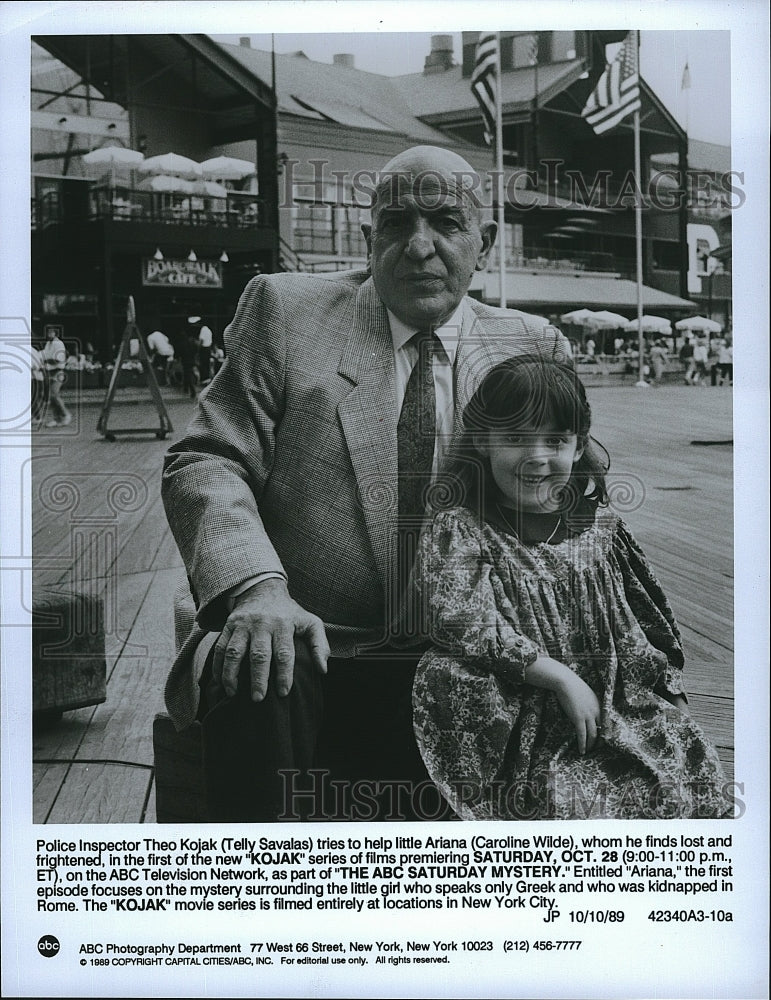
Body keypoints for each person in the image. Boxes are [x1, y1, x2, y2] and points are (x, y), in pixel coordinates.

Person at [161, 144, 571, 822]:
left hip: (466, 652)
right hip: (315, 635)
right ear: (367, 236)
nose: (419, 246)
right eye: (396, 223)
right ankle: (250, 906)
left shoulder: (532, 346)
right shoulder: (286, 313)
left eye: (445, 221)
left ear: (485, 241)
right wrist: (257, 589)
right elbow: (206, 459)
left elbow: (569, 509)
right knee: (259, 665)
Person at [411, 355, 729, 820]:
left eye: (555, 440)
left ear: (578, 447)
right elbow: (463, 621)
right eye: (516, 438)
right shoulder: (464, 528)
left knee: (681, 781)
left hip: (610, 698)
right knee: (564, 799)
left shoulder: (600, 530)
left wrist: (668, 692)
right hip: (520, 701)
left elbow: (636, 623)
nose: (538, 456)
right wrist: (559, 676)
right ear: (483, 440)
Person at [40, 327, 72, 427]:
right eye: (47, 332)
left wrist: (46, 360)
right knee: (50, 397)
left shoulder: (58, 343)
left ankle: (66, 415)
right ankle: (57, 419)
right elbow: (43, 357)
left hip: (57, 373)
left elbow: (56, 360)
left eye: (51, 332)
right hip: (49, 373)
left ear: (55, 333)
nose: (48, 334)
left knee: (54, 395)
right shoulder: (48, 344)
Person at [197, 319, 214, 385]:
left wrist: (198, 350)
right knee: (206, 364)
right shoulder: (209, 330)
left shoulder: (203, 329)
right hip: (208, 348)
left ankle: (204, 379)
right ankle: (207, 379)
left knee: (203, 364)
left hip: (204, 348)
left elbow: (201, 340)